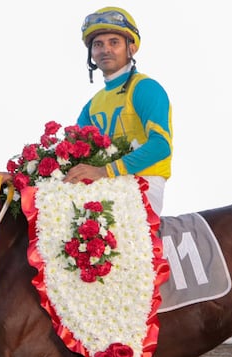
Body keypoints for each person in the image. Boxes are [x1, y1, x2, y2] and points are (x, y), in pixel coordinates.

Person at [65, 6, 173, 215]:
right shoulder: (92, 105)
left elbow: (161, 146)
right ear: (92, 54)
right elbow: (71, 154)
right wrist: (21, 179)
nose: (105, 49)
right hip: (101, 185)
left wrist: (104, 171)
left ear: (131, 48)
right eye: (98, 44)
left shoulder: (145, 88)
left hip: (143, 184)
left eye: (114, 42)